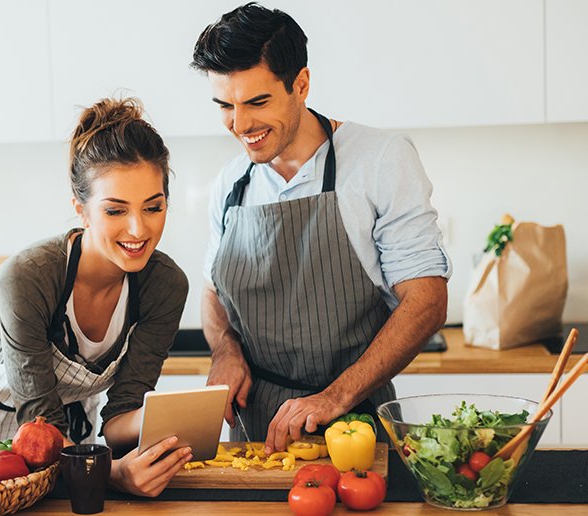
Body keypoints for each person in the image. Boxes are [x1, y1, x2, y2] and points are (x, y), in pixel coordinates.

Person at [191, 3, 451, 454]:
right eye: (225, 106)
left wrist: (336, 397)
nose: (241, 125)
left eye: (257, 102)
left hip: (355, 421)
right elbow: (213, 292)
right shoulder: (232, 183)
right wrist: (225, 349)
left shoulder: (381, 160)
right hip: (255, 433)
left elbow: (427, 299)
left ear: (301, 85)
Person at [0, 97, 192, 497]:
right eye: (115, 211)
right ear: (81, 209)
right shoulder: (26, 278)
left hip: (68, 446)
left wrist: (167, 421)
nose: (138, 229)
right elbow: (39, 424)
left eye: (153, 207)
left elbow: (118, 418)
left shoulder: (165, 285)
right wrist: (111, 474)